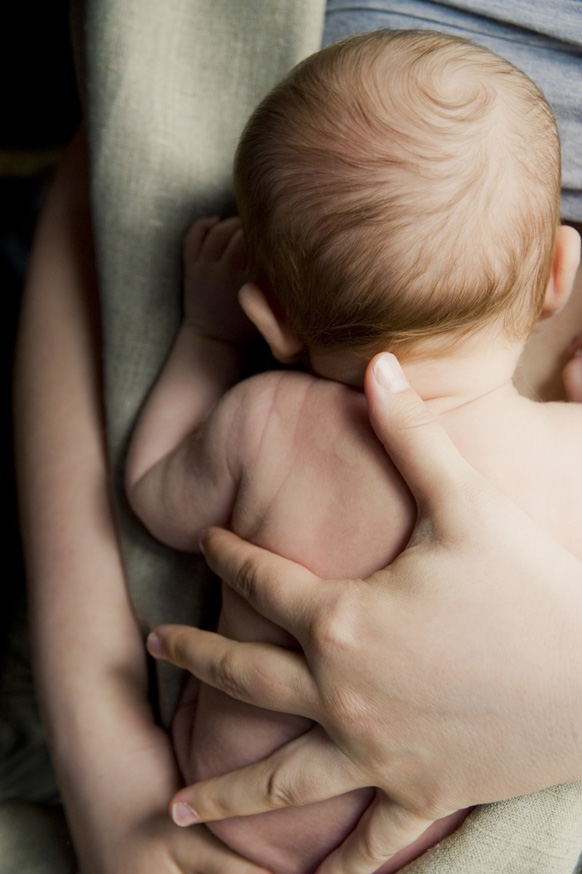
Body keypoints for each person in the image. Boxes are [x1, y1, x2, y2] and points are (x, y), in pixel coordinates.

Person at [9, 3, 582, 874]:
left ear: (271, 321)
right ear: (558, 279)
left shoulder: (265, 418)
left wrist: (204, 342)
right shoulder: (564, 452)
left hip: (227, 815)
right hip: (440, 827)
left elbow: (154, 497)